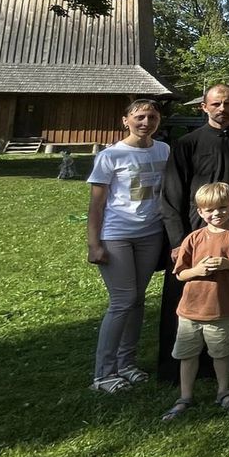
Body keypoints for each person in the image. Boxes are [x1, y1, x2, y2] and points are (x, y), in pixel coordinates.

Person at [158, 83, 229, 383]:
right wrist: (178, 242)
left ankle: (226, 361)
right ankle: (180, 367)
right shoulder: (188, 143)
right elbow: (171, 195)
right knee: (187, 295)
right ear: (204, 107)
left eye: (228, 103)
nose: (222, 109)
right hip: (194, 231)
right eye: (216, 104)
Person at [86, 98, 169, 393]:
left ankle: (127, 364)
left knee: (137, 300)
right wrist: (94, 244)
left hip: (150, 234)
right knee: (122, 301)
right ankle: (103, 373)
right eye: (140, 117)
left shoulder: (164, 150)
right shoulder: (111, 156)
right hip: (117, 234)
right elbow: (96, 205)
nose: (146, 122)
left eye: (152, 117)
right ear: (126, 120)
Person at [161, 182, 229, 422]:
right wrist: (198, 270)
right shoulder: (194, 238)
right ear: (201, 212)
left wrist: (227, 264)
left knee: (221, 352)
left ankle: (223, 391)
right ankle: (185, 396)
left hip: (222, 310)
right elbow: (180, 273)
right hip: (190, 311)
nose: (217, 213)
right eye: (210, 210)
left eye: (223, 207)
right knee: (187, 354)